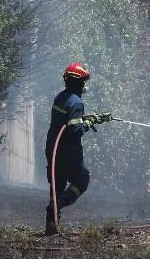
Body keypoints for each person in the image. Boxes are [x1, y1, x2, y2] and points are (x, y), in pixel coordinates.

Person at [44, 62, 112, 235]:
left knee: (57, 185)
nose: (84, 86)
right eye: (83, 82)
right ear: (79, 83)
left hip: (53, 149)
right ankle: (61, 203)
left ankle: (51, 224)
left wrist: (85, 118)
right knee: (82, 179)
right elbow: (75, 130)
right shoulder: (76, 103)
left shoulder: (60, 97)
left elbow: (66, 121)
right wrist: (90, 121)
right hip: (68, 152)